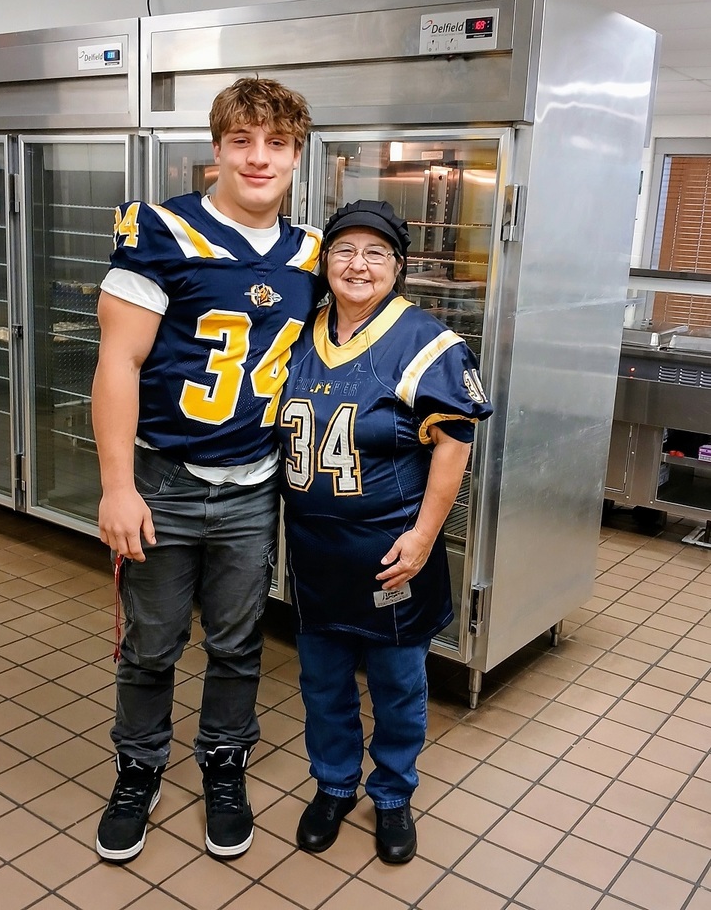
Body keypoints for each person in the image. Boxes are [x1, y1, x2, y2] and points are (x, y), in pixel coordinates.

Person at [91, 77, 321, 863]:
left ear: (297, 154)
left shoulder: (312, 252)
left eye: (278, 144)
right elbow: (117, 362)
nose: (260, 158)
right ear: (216, 149)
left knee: (237, 644)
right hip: (164, 480)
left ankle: (225, 762)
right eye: (243, 142)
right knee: (151, 646)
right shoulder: (160, 230)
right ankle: (139, 766)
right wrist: (117, 486)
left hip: (254, 484)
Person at [276, 199, 492, 864]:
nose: (357, 264)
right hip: (314, 553)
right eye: (344, 250)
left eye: (375, 253)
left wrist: (426, 537)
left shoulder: (425, 341)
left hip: (393, 554)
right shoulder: (297, 333)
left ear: (398, 266)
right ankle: (335, 784)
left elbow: (454, 445)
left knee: (398, 685)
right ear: (325, 261)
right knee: (322, 682)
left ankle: (393, 793)